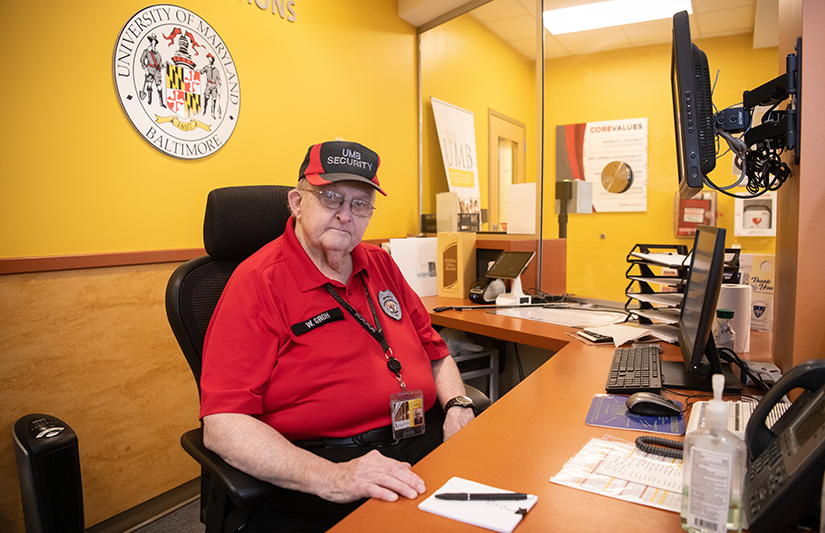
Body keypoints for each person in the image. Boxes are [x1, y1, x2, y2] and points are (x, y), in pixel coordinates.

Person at [199, 140, 476, 532]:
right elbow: (223, 423)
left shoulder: (381, 264)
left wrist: (458, 405)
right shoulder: (257, 282)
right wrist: (333, 477)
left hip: (420, 444)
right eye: (331, 197)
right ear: (297, 202)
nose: (346, 215)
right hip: (324, 468)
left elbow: (436, 353)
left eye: (360, 203)